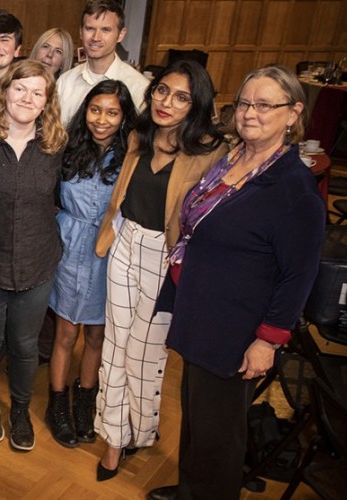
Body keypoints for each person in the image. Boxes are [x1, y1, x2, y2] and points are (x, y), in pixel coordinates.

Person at [147, 66, 325, 500]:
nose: (250, 112)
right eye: (245, 103)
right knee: (197, 416)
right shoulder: (233, 158)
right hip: (200, 311)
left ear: (293, 113)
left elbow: (299, 275)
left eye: (264, 105)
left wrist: (267, 340)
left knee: (219, 433)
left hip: (234, 327)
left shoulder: (294, 189)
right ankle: (191, 489)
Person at [93, 59, 228, 481]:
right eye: (162, 90)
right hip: (124, 242)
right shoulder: (139, 136)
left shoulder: (210, 151)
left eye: (181, 97)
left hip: (165, 255)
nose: (166, 102)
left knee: (145, 351)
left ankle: (139, 430)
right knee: (114, 345)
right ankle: (113, 439)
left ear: (196, 104)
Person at [0, 60, 67, 451]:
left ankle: (21, 411)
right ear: (5, 91)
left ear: (47, 102)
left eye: (37, 92)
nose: (27, 98)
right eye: (20, 88)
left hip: (37, 263)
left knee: (26, 345)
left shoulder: (56, 147)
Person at [45, 80, 137, 449]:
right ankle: (57, 402)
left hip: (110, 250)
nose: (102, 119)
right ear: (85, 111)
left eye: (112, 112)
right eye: (95, 110)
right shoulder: (67, 148)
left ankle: (86, 400)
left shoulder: (132, 155)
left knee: (98, 335)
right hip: (69, 247)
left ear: (124, 117)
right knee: (66, 333)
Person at [56, 0, 150, 124]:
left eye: (105, 30)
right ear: (81, 32)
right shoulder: (65, 82)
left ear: (121, 35)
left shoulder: (138, 87)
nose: (96, 38)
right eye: (90, 29)